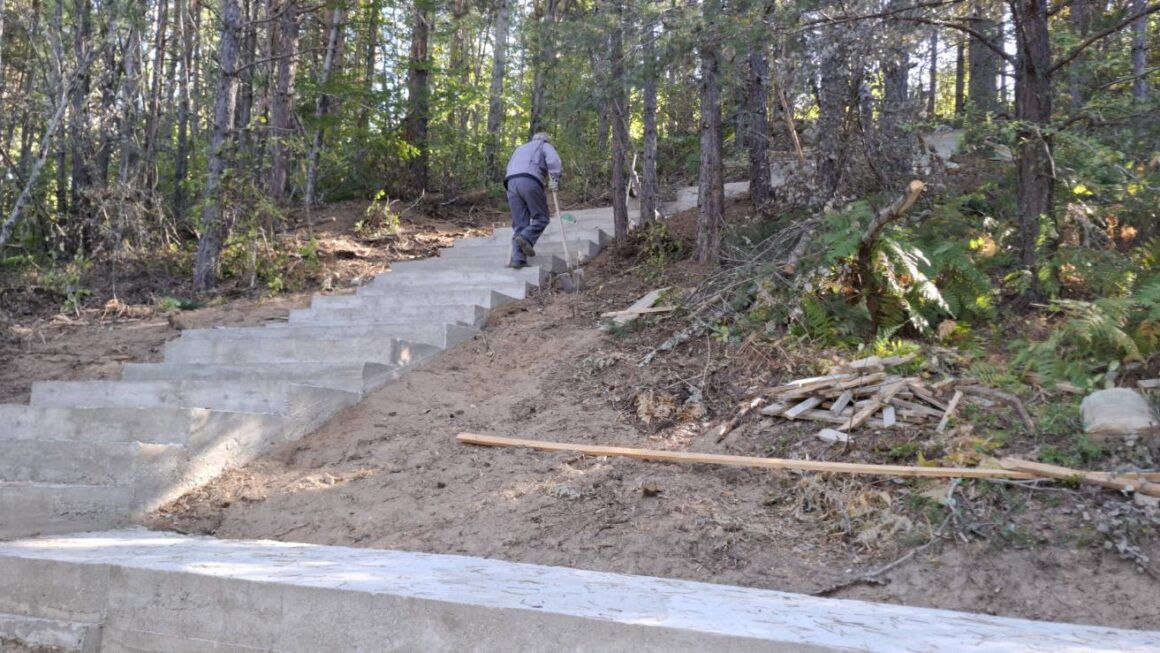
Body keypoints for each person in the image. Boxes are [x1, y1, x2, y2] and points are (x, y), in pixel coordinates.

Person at [503, 132, 563, 269]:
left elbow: (509, 167)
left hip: (510, 182)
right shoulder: (544, 145)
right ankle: (526, 237)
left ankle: (518, 259)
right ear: (546, 140)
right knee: (541, 218)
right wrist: (555, 178)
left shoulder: (520, 148)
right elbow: (553, 161)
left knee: (520, 223)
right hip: (529, 180)